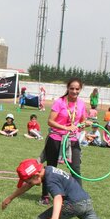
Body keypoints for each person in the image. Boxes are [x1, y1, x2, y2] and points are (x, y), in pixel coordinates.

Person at [39, 77, 89, 206]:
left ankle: (79, 198)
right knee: (51, 168)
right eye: (72, 88)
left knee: (76, 169)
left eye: (77, 89)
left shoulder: (81, 104)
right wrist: (65, 128)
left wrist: (85, 124)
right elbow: (50, 121)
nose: (74, 91)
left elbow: (82, 122)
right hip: (55, 139)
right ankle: (45, 196)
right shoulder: (59, 102)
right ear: (68, 88)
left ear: (80, 89)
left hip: (72, 140)